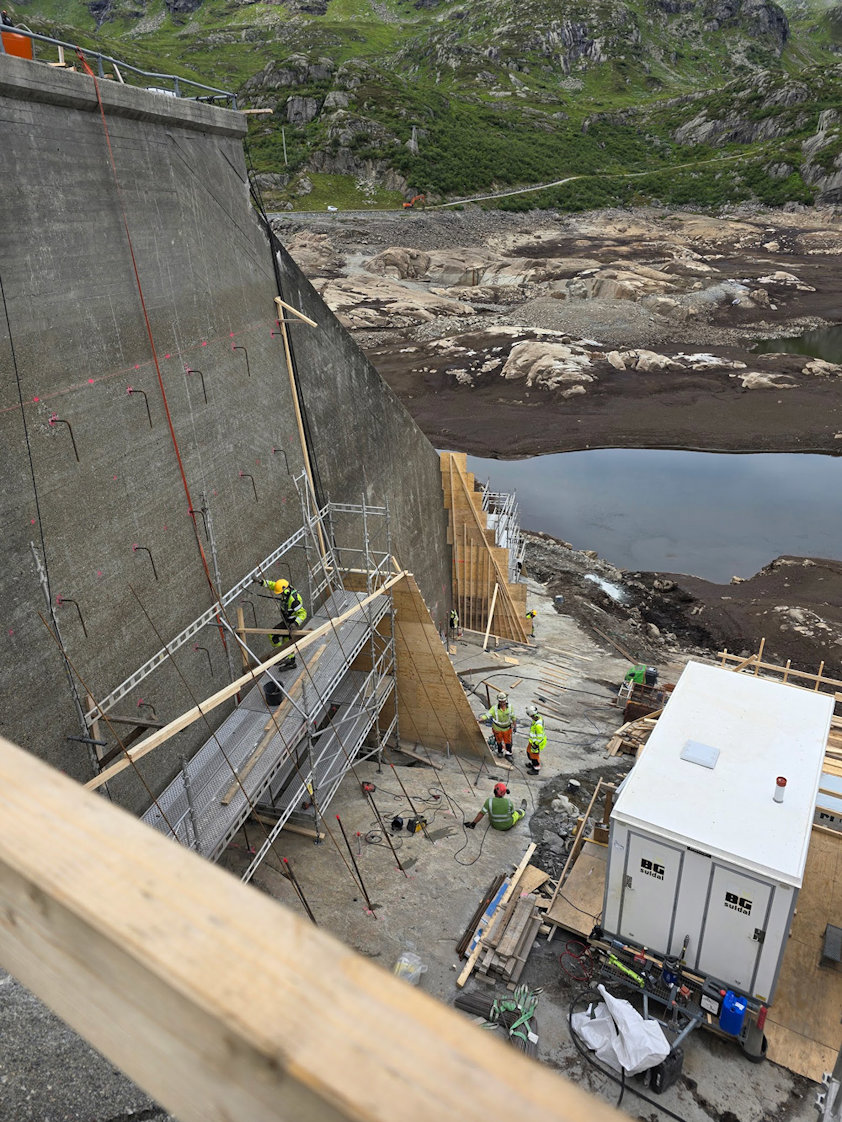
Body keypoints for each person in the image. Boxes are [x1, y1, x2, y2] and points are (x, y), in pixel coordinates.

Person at [254, 575, 307, 667]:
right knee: (287, 641)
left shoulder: (294, 601)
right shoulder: (285, 589)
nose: (279, 595)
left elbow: (303, 613)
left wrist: (295, 624)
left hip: (291, 623)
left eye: (280, 593)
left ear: (285, 591)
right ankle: (291, 661)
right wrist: (261, 582)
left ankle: (280, 656)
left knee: (272, 635)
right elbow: (273, 585)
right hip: (287, 621)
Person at [485, 691, 516, 760]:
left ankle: (508, 754)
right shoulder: (494, 708)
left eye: (503, 701)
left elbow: (513, 717)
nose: (502, 703)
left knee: (508, 741)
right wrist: (480, 719)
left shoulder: (510, 707)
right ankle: (500, 751)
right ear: (498, 701)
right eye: (501, 702)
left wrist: (515, 726)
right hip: (497, 728)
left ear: (506, 700)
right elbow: (487, 715)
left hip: (507, 729)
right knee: (498, 740)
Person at [524, 703, 546, 774]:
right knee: (528, 752)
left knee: (534, 756)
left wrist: (536, 744)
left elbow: (539, 737)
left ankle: (536, 769)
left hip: (536, 743)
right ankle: (533, 764)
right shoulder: (537, 718)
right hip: (532, 741)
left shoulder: (538, 725)